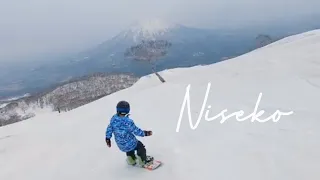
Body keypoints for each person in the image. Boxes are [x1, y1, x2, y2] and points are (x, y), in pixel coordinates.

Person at [105, 100, 153, 166]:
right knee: (140, 147)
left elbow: (109, 128)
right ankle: (143, 161)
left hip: (121, 145)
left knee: (128, 149)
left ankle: (131, 160)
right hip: (131, 142)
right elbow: (136, 131)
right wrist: (145, 133)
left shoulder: (113, 119)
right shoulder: (128, 122)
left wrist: (107, 138)